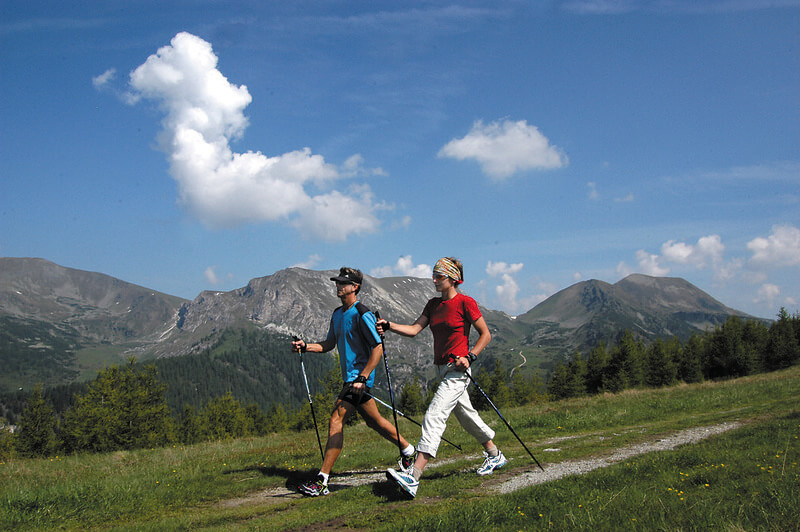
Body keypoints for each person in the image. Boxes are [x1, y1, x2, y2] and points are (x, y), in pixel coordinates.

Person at [380, 257, 506, 498]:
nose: (434, 280)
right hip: (441, 369)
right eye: (434, 275)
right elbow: (415, 329)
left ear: (453, 279)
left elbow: (485, 335)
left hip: (458, 370)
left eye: (439, 276)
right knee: (466, 416)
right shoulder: (433, 305)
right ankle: (494, 454)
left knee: (435, 414)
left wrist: (470, 357)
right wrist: (389, 325)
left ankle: (413, 476)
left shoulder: (465, 302)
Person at [291, 267, 416, 497]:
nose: (338, 286)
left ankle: (322, 480)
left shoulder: (362, 313)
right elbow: (329, 344)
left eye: (342, 283)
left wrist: (363, 376)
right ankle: (409, 451)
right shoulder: (338, 314)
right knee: (375, 422)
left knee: (336, 419)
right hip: (353, 380)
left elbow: (377, 347)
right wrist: (305, 346)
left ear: (355, 287)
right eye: (337, 283)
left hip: (358, 379)